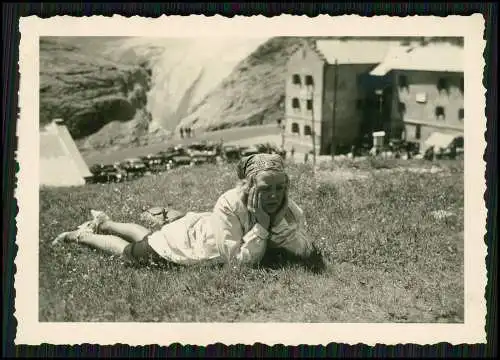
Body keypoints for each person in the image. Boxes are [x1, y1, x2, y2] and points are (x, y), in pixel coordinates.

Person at [52, 154, 325, 272]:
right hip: (187, 246)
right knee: (132, 253)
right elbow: (238, 264)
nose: (275, 195)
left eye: (280, 187)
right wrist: (264, 226)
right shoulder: (229, 203)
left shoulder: (287, 207)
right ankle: (79, 236)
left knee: (150, 234)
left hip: (191, 230)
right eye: (267, 188)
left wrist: (276, 220)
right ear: (249, 185)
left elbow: (304, 250)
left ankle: (106, 221)